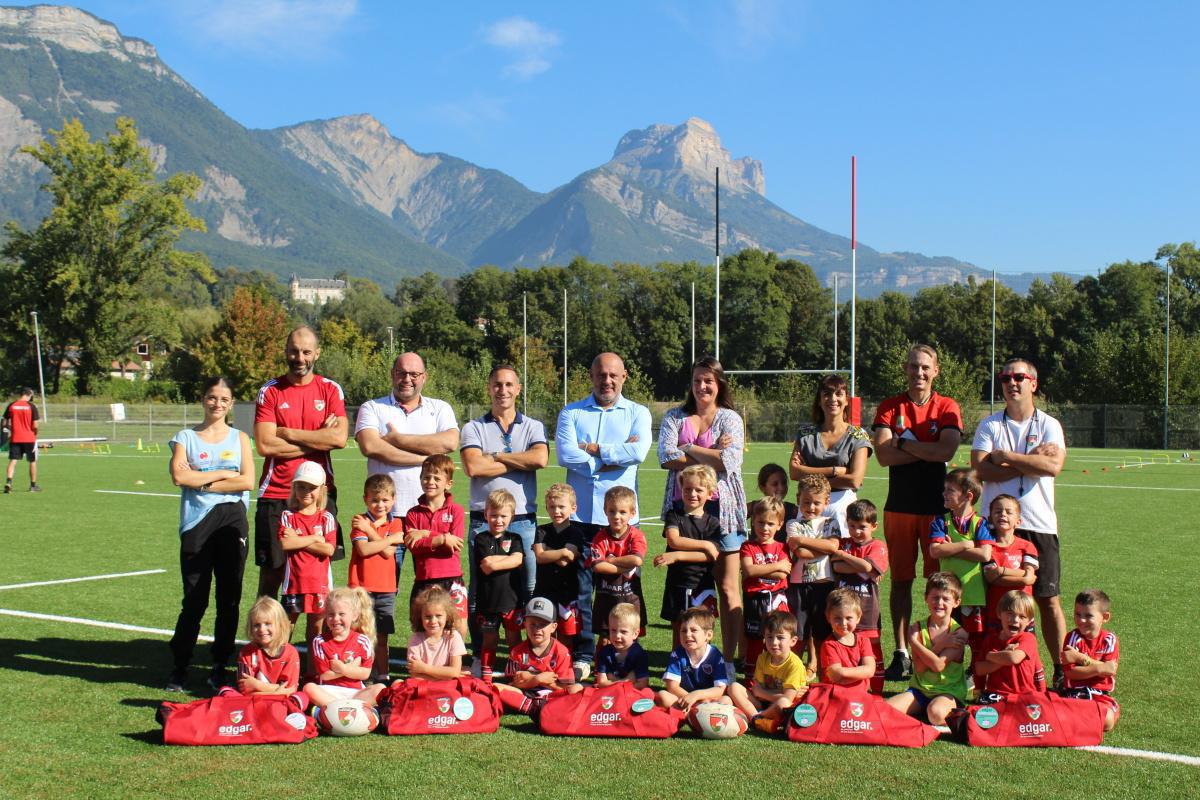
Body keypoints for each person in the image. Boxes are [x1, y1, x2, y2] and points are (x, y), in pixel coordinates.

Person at [971, 357, 1067, 686]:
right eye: (1006, 377)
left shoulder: (1050, 424)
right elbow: (982, 471)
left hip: (1039, 524)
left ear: (1033, 384)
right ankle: (982, 672)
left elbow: (1053, 468)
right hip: (994, 526)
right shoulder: (990, 425)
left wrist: (1007, 457)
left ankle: (1061, 668)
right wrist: (1033, 460)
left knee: (1048, 598)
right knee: (986, 602)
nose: (1012, 383)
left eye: (1020, 377)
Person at [872, 344, 963, 681]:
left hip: (937, 510)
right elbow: (883, 457)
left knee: (941, 584)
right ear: (905, 369)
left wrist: (905, 444)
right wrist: (928, 451)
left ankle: (942, 649)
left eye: (925, 367)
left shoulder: (947, 406)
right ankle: (901, 652)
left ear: (936, 371)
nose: (919, 373)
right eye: (913, 367)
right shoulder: (890, 406)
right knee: (901, 582)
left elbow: (948, 449)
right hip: (900, 507)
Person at [556, 352, 652, 674]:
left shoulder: (638, 413)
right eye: (601, 375)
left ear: (624, 376)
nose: (607, 381)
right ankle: (584, 656)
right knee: (583, 593)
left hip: (624, 523)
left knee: (623, 594)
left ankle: (625, 655)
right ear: (591, 376)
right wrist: (614, 457)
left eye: (613, 375)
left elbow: (638, 452)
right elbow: (566, 456)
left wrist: (593, 450)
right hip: (583, 520)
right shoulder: (571, 413)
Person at [658, 356, 747, 674]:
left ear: (719, 383)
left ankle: (729, 659)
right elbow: (666, 457)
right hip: (684, 509)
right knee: (685, 586)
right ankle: (680, 661)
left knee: (726, 587)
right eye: (697, 380)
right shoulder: (674, 416)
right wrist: (710, 452)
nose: (702, 386)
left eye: (708, 380)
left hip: (724, 512)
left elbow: (730, 462)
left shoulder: (731, 419)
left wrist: (689, 447)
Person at [165, 377, 255, 692]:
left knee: (228, 598)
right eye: (212, 397)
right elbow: (179, 475)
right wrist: (218, 475)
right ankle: (180, 666)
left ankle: (219, 665)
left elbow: (247, 482)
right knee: (194, 600)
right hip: (196, 524)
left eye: (224, 399)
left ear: (231, 403)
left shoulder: (240, 438)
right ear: (203, 399)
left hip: (232, 520)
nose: (217, 404)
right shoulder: (185, 437)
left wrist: (199, 478)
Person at [254, 327, 348, 599]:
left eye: (306, 352)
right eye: (294, 351)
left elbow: (340, 438)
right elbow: (265, 445)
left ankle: (315, 642)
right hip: (277, 493)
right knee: (272, 574)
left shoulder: (330, 389)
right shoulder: (270, 391)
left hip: (320, 494)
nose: (300, 357)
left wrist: (290, 433)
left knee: (316, 572)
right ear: (286, 352)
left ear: (316, 353)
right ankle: (268, 641)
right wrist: (320, 437)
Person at [355, 351, 459, 576]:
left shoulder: (440, 408)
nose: (407, 379)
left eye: (414, 374)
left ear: (424, 377)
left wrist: (398, 440)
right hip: (386, 514)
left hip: (430, 514)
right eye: (402, 373)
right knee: (384, 590)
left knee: (433, 587)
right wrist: (425, 459)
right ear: (392, 374)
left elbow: (450, 442)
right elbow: (372, 447)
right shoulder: (372, 407)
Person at [460, 364, 548, 607]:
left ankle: (527, 645)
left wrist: (496, 456)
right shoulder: (473, 427)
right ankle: (479, 646)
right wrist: (521, 460)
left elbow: (539, 459)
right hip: (483, 520)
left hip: (523, 519)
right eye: (497, 384)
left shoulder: (533, 426)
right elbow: (474, 467)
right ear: (489, 388)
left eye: (509, 384)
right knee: (480, 586)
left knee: (529, 586)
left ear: (518, 389)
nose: (503, 390)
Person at [928, 468, 993, 678]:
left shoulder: (980, 523)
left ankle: (975, 677)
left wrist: (952, 547)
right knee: (948, 636)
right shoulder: (941, 521)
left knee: (976, 639)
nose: (944, 493)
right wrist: (965, 544)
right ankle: (950, 676)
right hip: (946, 594)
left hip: (973, 595)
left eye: (950, 490)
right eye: (944, 489)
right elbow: (935, 550)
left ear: (968, 496)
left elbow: (984, 554)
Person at [789, 374, 872, 532]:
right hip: (809, 505)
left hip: (841, 507)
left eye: (838, 394)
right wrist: (834, 471)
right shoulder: (806, 433)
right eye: (827, 394)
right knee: (806, 554)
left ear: (846, 400)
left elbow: (855, 480)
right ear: (819, 400)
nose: (833, 399)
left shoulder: (858, 435)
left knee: (839, 554)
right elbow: (794, 472)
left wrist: (809, 476)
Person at [886, 572, 970, 726]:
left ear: (956, 602)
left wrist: (914, 642)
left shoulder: (959, 633)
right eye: (935, 597)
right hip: (920, 691)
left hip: (948, 692)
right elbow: (919, 667)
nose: (939, 602)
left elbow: (938, 665)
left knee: (936, 714)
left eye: (946, 599)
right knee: (887, 710)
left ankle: (954, 712)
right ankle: (925, 707)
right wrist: (942, 644)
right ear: (926, 598)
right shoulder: (918, 628)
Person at [653, 464, 721, 646]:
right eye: (687, 489)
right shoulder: (674, 515)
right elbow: (674, 540)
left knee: (702, 628)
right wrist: (705, 545)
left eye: (698, 490)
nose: (692, 494)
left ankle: (700, 665)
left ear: (710, 494)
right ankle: (677, 665)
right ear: (681, 490)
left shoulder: (713, 523)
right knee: (679, 627)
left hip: (702, 584)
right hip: (677, 583)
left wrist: (677, 556)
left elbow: (710, 556)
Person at [784, 474, 845, 678]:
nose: (811, 507)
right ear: (798, 499)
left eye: (816, 503)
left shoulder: (831, 522)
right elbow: (801, 553)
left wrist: (804, 540)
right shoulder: (793, 523)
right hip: (799, 586)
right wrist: (824, 547)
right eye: (806, 502)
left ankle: (823, 677)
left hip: (824, 585)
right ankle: (793, 678)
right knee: (798, 634)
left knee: (822, 634)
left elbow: (833, 545)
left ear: (826, 502)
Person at [347, 474, 405, 684]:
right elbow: (363, 549)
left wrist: (370, 531)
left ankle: (382, 674)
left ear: (393, 499)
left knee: (382, 637)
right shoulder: (359, 520)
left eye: (385, 500)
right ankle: (362, 673)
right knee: (360, 634)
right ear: (365, 499)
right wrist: (386, 539)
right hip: (360, 588)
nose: (380, 505)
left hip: (386, 588)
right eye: (374, 500)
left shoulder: (396, 523)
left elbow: (389, 553)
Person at [403, 454, 468, 639]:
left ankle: (457, 660)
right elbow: (413, 546)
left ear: (448, 484)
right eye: (426, 477)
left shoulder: (456, 510)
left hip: (452, 578)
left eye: (436, 478)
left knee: (457, 622)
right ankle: (426, 662)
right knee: (422, 625)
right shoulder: (413, 513)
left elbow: (455, 544)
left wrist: (425, 534)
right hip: (424, 578)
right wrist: (441, 539)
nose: (430, 481)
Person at [278, 461, 338, 649]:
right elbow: (287, 543)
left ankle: (313, 673)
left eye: (312, 487)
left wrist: (300, 539)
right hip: (294, 584)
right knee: (285, 628)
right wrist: (314, 538)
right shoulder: (288, 516)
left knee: (316, 631)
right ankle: (281, 670)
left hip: (319, 585)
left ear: (321, 490)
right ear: (294, 488)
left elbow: (329, 549)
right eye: (301, 486)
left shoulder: (326, 517)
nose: (306, 491)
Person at [831, 499, 888, 693]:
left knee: (873, 650)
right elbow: (836, 566)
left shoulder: (877, 546)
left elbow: (867, 567)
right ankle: (851, 692)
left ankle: (878, 693)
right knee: (848, 648)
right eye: (852, 526)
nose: (856, 532)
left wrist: (845, 557)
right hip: (843, 610)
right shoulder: (845, 543)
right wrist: (861, 567)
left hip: (867, 609)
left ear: (874, 526)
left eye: (862, 527)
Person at [472, 489, 525, 682]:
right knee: (490, 639)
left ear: (512, 516)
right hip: (488, 602)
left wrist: (497, 561)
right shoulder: (481, 538)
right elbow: (486, 566)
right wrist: (506, 559)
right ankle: (486, 676)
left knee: (514, 640)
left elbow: (518, 560)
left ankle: (515, 674)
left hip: (512, 600)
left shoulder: (516, 539)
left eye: (503, 516)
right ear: (486, 514)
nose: (498, 520)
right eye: (493, 515)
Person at [587, 485, 648, 652]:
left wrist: (612, 560)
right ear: (605, 511)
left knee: (630, 639)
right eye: (612, 511)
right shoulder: (600, 537)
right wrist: (623, 567)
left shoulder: (636, 535)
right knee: (605, 640)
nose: (617, 516)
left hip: (630, 598)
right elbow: (598, 566)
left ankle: (631, 673)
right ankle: (602, 672)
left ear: (632, 513)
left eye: (622, 512)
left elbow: (636, 559)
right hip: (607, 597)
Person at [302, 586, 385, 708]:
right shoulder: (319, 641)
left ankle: (334, 710)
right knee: (308, 688)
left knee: (380, 688)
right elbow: (325, 675)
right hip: (329, 691)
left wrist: (342, 668)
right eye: (331, 614)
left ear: (355, 616)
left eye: (341, 614)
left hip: (356, 693)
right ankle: (349, 709)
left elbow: (365, 674)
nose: (336, 619)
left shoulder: (362, 641)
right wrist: (351, 668)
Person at [495, 597, 580, 714]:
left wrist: (542, 681)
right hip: (524, 693)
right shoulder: (517, 651)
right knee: (496, 687)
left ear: (554, 627)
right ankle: (532, 707)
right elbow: (513, 684)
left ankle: (533, 706)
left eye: (543, 624)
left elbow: (565, 687)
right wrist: (537, 679)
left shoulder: (562, 652)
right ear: (524, 624)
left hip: (552, 694)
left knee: (577, 689)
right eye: (532, 624)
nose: (537, 629)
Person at [727, 611, 806, 734]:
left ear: (793, 641)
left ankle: (757, 717)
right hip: (763, 704)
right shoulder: (763, 658)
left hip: (783, 708)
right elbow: (756, 691)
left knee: (783, 703)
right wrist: (765, 693)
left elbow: (787, 698)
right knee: (734, 687)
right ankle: (756, 719)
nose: (774, 642)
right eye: (769, 637)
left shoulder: (795, 664)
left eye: (780, 637)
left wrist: (763, 693)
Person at [532, 483, 589, 655]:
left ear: (573, 508)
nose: (556, 511)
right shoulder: (541, 530)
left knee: (565, 633)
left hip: (567, 593)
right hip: (543, 590)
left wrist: (549, 552)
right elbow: (540, 557)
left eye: (561, 507)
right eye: (552, 507)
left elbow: (566, 561)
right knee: (545, 630)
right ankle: (546, 662)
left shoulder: (576, 533)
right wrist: (562, 551)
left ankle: (564, 663)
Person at [740, 496, 791, 673]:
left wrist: (760, 568)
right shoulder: (748, 546)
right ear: (753, 521)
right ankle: (751, 680)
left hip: (778, 600)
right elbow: (749, 571)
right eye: (760, 522)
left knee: (778, 637)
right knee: (755, 640)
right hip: (756, 600)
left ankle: (779, 676)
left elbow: (784, 574)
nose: (765, 528)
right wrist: (776, 566)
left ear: (780, 524)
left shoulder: (782, 547)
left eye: (770, 523)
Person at [1061, 588, 1120, 731]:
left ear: (1105, 617)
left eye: (1088, 616)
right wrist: (1101, 668)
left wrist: (1080, 658)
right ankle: (1085, 721)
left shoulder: (1109, 640)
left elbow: (1110, 670)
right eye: (1077, 614)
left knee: (1108, 722)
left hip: (1100, 694)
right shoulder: (1072, 638)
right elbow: (1071, 673)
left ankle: (1084, 721)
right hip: (1075, 692)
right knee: (1062, 716)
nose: (1081, 620)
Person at [981, 495, 1038, 640]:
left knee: (1022, 650)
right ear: (990, 517)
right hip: (996, 612)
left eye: (1008, 512)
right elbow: (992, 578)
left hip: (1022, 613)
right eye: (998, 511)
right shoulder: (988, 547)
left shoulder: (1027, 546)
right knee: (994, 650)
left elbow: (1029, 578)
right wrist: (1022, 576)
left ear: (1018, 521)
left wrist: (1002, 571)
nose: (1003, 515)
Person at [654, 606, 731, 711]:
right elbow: (672, 686)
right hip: (683, 699)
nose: (688, 635)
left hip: (707, 700)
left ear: (708, 635)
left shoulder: (715, 655)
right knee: (663, 696)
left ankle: (692, 714)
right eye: (683, 631)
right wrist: (689, 699)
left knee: (726, 700)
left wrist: (697, 695)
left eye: (693, 630)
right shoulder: (677, 654)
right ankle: (695, 713)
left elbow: (720, 689)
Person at [976, 590, 1046, 700]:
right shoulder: (990, 640)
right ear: (999, 614)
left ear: (1029, 621)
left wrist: (990, 656)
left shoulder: (1028, 638)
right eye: (1010, 613)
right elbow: (979, 669)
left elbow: (1014, 658)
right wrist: (978, 691)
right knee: (984, 715)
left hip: (1023, 696)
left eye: (1022, 617)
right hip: (996, 695)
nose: (1015, 620)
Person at [234, 596, 301, 696]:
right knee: (226, 691)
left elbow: (290, 689)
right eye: (257, 625)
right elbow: (244, 690)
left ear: (280, 624)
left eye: (267, 624)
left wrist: (257, 685)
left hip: (279, 703)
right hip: (253, 702)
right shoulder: (246, 652)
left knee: (303, 696)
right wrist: (277, 692)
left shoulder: (291, 653)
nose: (262, 629)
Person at [406, 584, 468, 680]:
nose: (433, 621)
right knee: (397, 683)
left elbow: (454, 672)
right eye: (428, 616)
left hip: (448, 690)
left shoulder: (453, 637)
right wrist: (445, 675)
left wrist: (424, 668)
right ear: (420, 617)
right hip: (423, 690)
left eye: (438, 615)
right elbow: (415, 675)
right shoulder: (415, 639)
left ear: (447, 616)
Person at [819, 588, 876, 692]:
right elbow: (835, 675)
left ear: (858, 617)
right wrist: (860, 673)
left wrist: (843, 673)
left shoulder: (864, 641)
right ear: (828, 617)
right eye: (837, 618)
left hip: (861, 696)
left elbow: (870, 670)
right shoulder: (829, 645)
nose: (843, 623)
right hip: (837, 696)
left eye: (848, 618)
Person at [594, 603, 651, 689]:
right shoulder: (605, 653)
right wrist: (627, 680)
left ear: (635, 634)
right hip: (610, 695)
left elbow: (642, 684)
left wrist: (612, 680)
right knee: (577, 688)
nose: (617, 635)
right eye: (613, 630)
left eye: (623, 632)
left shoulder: (639, 654)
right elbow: (601, 683)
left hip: (632, 696)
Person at [3, 387, 40, 493]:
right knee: (32, 461)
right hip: (29, 438)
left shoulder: (11, 405)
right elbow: (36, 425)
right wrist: (35, 433)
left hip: (15, 438)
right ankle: (33, 486)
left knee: (13, 460)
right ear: (29, 395)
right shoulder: (32, 406)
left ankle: (9, 482)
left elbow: (4, 423)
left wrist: (12, 430)